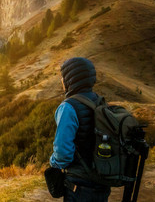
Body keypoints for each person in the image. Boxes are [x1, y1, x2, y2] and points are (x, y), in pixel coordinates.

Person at [50, 57, 111, 201]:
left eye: (63, 77)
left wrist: (52, 162)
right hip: (101, 182)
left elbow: (63, 154)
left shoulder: (68, 107)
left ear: (70, 79)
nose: (61, 81)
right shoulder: (100, 102)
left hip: (79, 186)